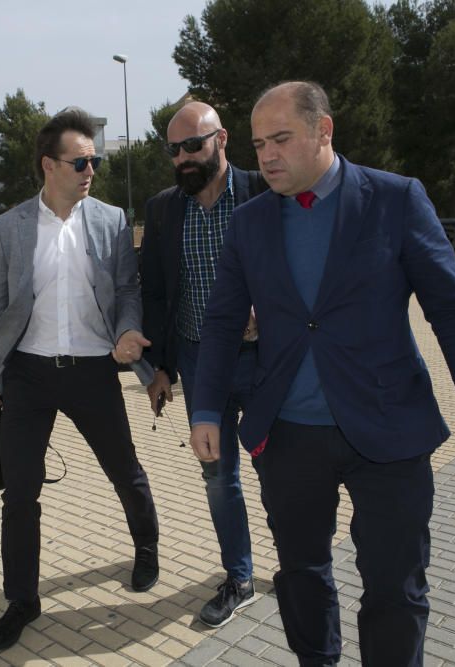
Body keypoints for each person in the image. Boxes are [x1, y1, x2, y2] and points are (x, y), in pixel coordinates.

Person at [189, 81, 455, 666]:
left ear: (324, 131)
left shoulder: (396, 199)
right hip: (288, 434)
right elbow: (220, 323)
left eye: (282, 139)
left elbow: (449, 307)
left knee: (396, 585)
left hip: (389, 429)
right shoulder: (249, 222)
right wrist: (207, 409)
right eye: (259, 142)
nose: (266, 156)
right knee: (301, 575)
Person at [0, 107, 160, 652]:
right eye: (81, 161)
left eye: (95, 160)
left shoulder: (108, 220)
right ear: (48, 166)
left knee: (124, 470)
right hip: (28, 375)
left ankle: (146, 548)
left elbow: (128, 290)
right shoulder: (8, 229)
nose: (91, 169)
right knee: (19, 493)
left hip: (93, 371)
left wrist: (128, 332)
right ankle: (22, 600)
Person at [140, 101, 267, 628]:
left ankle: (301, 562)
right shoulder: (165, 209)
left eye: (194, 144)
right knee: (219, 477)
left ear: (222, 140)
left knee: (279, 467)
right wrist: (160, 369)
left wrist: (271, 310)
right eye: (175, 149)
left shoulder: (264, 191)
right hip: (199, 363)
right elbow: (157, 293)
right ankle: (240, 577)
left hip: (265, 361)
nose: (184, 157)